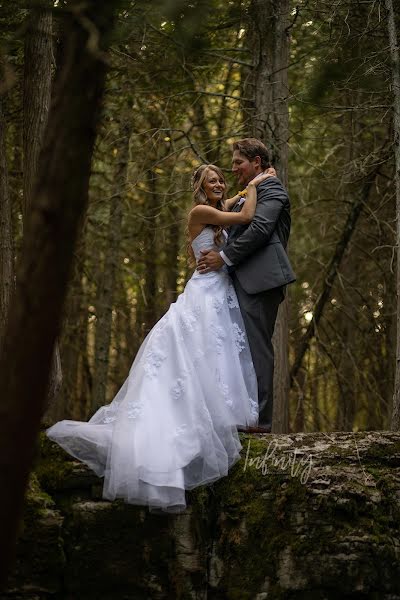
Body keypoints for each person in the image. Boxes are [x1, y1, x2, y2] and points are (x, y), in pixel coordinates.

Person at [46, 164, 272, 514]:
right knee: (198, 352)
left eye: (221, 180)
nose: (219, 184)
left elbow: (233, 203)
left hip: (221, 291)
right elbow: (245, 215)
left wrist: (240, 191)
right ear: (199, 187)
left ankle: (222, 415)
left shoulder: (217, 209)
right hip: (204, 293)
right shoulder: (200, 212)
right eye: (212, 181)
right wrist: (256, 183)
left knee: (219, 352)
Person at [197, 139, 296, 433]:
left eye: (238, 161)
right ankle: (242, 417)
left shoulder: (273, 190)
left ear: (256, 162)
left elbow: (261, 229)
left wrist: (223, 257)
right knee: (239, 351)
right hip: (237, 283)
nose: (233, 167)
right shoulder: (250, 191)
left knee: (256, 351)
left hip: (260, 282)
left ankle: (261, 424)